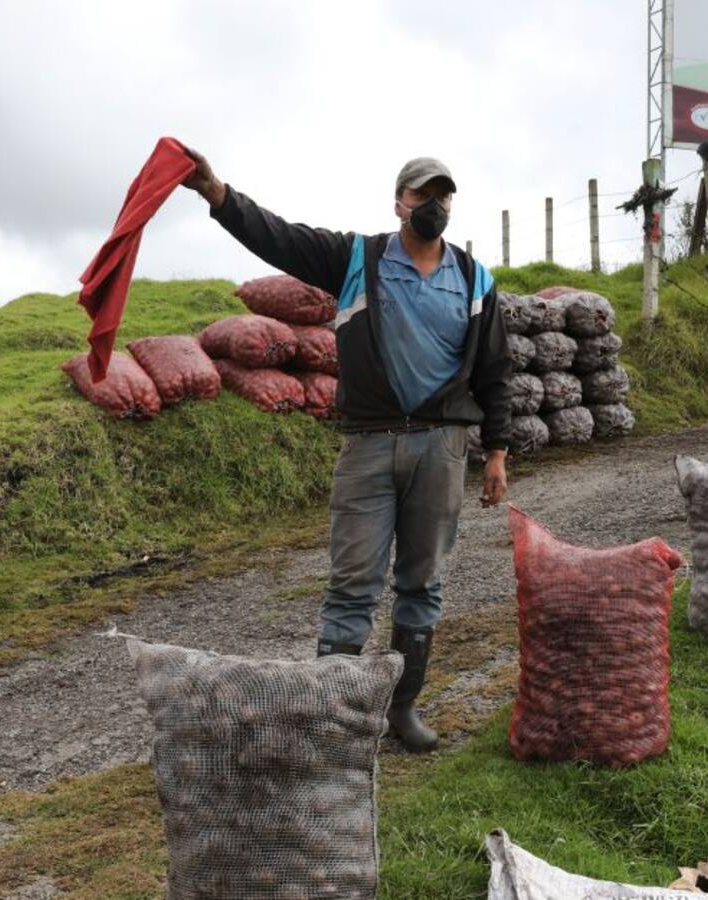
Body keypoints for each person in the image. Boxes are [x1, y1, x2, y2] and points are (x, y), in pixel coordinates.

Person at [182, 150, 512, 752]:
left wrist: (496, 450)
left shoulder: (473, 277)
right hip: (367, 445)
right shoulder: (357, 258)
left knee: (423, 581)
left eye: (442, 196)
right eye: (421, 195)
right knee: (352, 582)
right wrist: (217, 193)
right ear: (398, 203)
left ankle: (400, 711)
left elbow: (494, 367)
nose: (432, 206)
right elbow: (281, 240)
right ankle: (331, 722)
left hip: (442, 447)